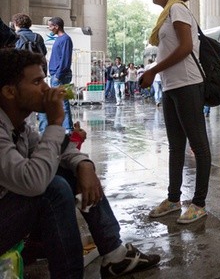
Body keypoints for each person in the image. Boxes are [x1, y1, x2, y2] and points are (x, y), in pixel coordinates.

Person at [0, 48, 160, 278]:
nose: (47, 88)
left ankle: (115, 254)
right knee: (53, 189)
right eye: (37, 82)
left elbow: (59, 151)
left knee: (72, 170)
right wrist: (55, 123)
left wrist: (84, 165)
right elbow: (32, 181)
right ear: (9, 91)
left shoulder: (21, 126)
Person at [139, 0, 211, 224]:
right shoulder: (167, 13)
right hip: (171, 87)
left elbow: (185, 47)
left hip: (188, 85)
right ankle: (173, 199)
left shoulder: (178, 9)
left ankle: (199, 203)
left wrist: (153, 71)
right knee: (175, 146)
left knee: (199, 145)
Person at [38, 17, 74, 134]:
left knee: (63, 101)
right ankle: (66, 127)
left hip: (60, 75)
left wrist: (58, 75)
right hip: (57, 74)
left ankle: (68, 128)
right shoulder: (60, 39)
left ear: (56, 26)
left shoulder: (65, 39)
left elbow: (65, 59)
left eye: (50, 26)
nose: (49, 28)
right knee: (62, 101)